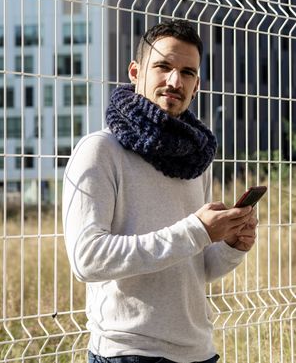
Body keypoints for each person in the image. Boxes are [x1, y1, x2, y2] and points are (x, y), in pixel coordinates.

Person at [62, 19, 258, 363]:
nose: (174, 81)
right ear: (135, 72)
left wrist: (230, 246)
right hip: (128, 354)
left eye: (187, 72)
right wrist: (197, 230)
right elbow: (87, 259)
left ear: (197, 85)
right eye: (163, 66)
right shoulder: (100, 151)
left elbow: (195, 265)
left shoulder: (195, 157)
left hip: (199, 351)